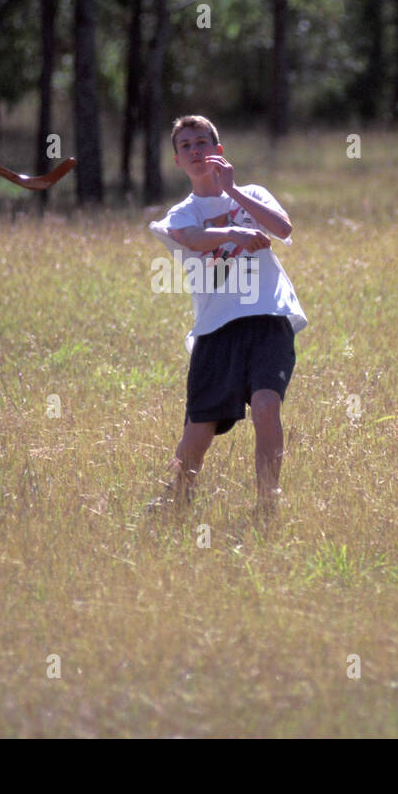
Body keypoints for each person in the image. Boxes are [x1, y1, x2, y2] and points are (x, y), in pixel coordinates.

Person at [148, 114, 308, 519]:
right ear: (177, 160)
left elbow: (283, 228)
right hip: (215, 329)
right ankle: (175, 500)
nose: (196, 150)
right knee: (199, 432)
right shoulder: (179, 214)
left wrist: (234, 192)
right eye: (186, 146)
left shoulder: (252, 193)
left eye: (203, 142)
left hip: (267, 315)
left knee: (266, 405)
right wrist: (235, 234)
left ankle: (268, 502)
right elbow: (192, 240)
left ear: (219, 151)